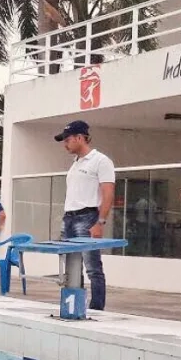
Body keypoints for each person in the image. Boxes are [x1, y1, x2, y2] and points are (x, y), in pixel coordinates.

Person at [55, 120, 115, 311]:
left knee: (92, 266)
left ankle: (97, 308)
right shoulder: (75, 163)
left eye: (68, 140)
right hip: (69, 218)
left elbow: (108, 192)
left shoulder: (100, 161)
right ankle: (74, 305)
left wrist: (100, 221)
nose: (65, 144)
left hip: (88, 217)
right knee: (71, 265)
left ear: (80, 138)